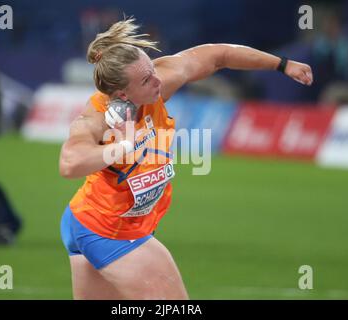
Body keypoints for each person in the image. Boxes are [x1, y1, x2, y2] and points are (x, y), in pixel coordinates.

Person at [59, 17, 313, 300]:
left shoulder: (156, 84)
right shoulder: (97, 117)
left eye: (151, 68)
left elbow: (219, 55)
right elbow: (70, 162)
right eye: (146, 79)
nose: (158, 79)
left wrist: (282, 64)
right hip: (109, 231)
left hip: (89, 220)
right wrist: (121, 147)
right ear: (122, 93)